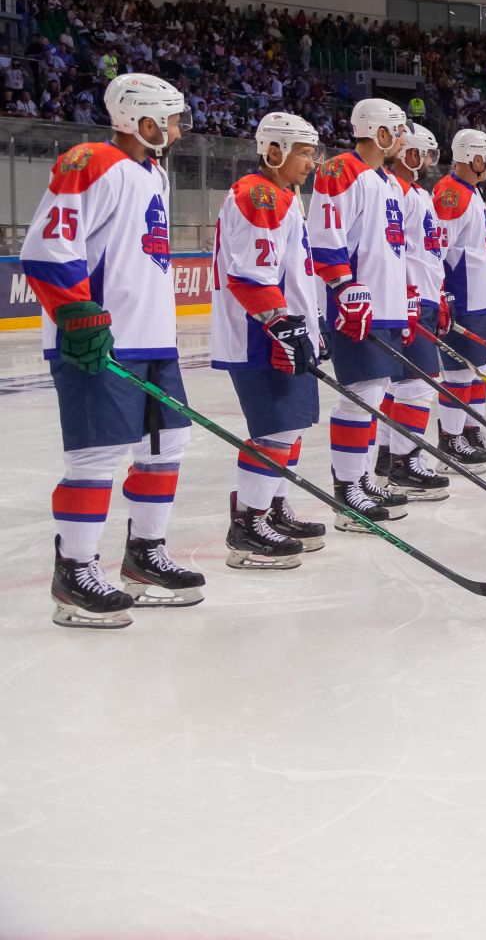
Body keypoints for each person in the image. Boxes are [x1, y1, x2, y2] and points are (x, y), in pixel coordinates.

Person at [24, 73, 204, 626]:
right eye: (171, 121)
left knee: (167, 443)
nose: (177, 131)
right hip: (101, 342)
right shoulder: (92, 161)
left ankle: (144, 556)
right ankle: (74, 571)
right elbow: (47, 246)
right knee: (96, 455)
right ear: (145, 123)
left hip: (152, 340)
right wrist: (76, 314)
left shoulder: (151, 173)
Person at [211, 110, 326, 569]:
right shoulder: (258, 193)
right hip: (259, 333)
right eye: (303, 152)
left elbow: (292, 271)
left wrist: (311, 322)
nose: (311, 162)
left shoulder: (283, 195)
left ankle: (274, 506)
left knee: (291, 425)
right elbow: (249, 276)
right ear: (273, 150)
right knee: (274, 429)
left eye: (313, 152)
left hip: (283, 326)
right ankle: (248, 524)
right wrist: (282, 324)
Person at [310, 96, 413, 529]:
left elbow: (393, 245)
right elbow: (324, 235)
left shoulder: (386, 180)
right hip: (355, 302)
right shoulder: (340, 170)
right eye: (398, 129)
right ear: (381, 133)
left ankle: (362, 475)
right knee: (361, 394)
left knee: (376, 391)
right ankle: (347, 489)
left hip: (385, 302)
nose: (403, 137)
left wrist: (406, 294)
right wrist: (342, 286)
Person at [373, 123, 456, 497]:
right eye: (424, 152)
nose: (427, 160)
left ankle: (391, 453)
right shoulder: (397, 192)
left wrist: (438, 294)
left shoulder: (417, 192)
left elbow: (428, 252)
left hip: (422, 296)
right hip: (409, 299)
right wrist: (409, 294)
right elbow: (396, 249)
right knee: (419, 383)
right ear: (409, 154)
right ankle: (407, 461)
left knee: (406, 382)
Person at [434, 128, 486, 446]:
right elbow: (437, 250)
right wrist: (444, 292)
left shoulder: (472, 191)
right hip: (462, 298)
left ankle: (472, 428)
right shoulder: (451, 193)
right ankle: (451, 437)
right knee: (460, 373)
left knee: (481, 368)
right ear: (474, 158)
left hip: (481, 296)